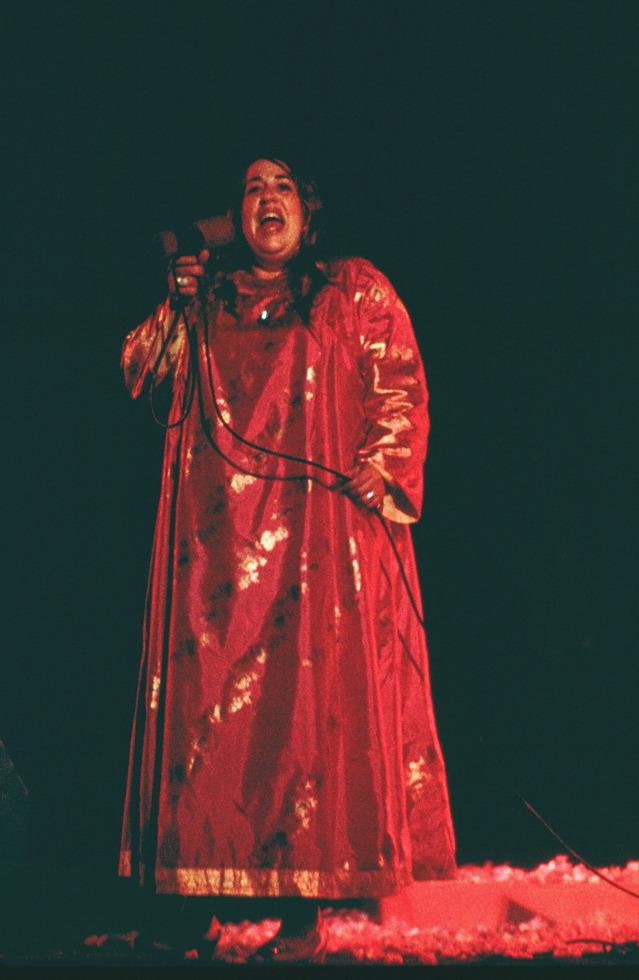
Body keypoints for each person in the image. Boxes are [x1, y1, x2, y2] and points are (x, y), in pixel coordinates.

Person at [119, 157, 456, 961]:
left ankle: (301, 915)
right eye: (250, 188)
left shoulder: (350, 289)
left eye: (280, 187)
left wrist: (383, 462)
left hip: (314, 546)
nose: (265, 199)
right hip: (213, 551)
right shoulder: (213, 296)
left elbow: (399, 382)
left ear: (308, 207)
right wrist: (177, 299)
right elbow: (140, 371)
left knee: (301, 721)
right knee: (205, 725)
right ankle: (185, 907)